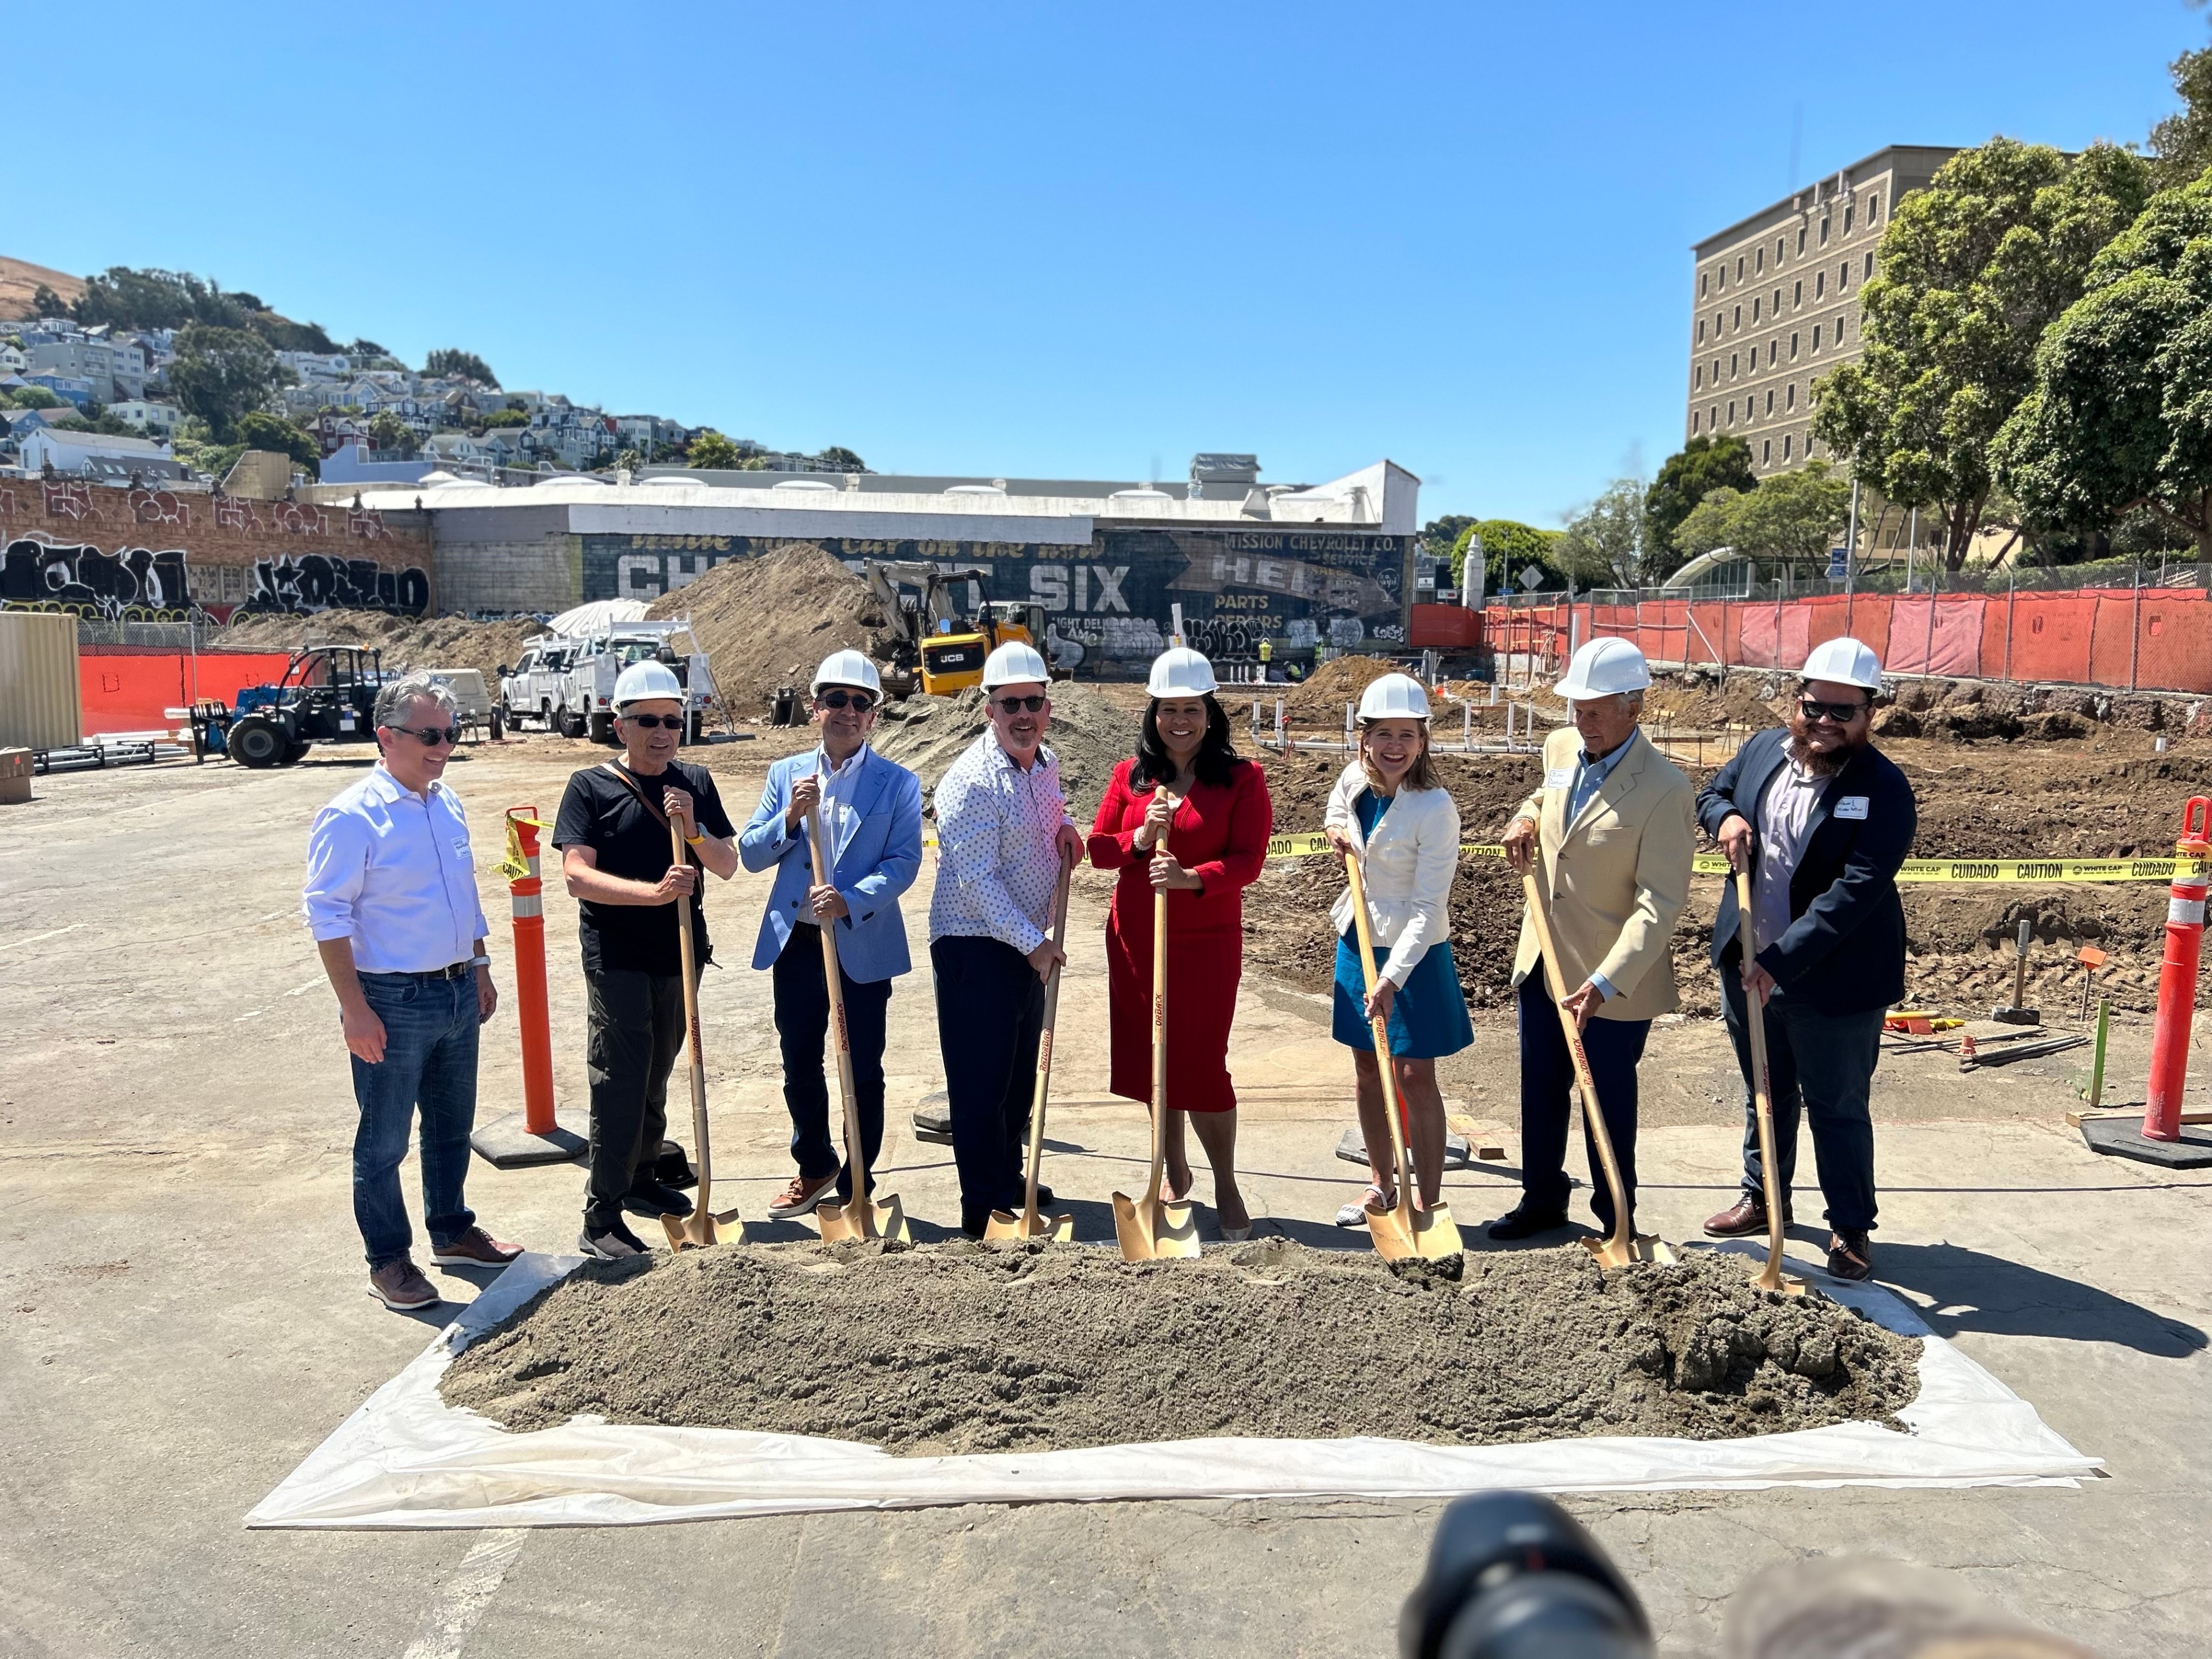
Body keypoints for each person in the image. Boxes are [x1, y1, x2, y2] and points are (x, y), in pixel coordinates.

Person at [1696, 637, 1915, 1282]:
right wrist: (1727, 819)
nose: (1825, 723)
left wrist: (1781, 961)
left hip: (1833, 978)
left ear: (1869, 715)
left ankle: (1849, 1227)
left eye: (1842, 714)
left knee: (1836, 1104)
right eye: (1815, 708)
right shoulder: (1763, 750)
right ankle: (1765, 1198)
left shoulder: (1883, 787)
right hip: (1747, 960)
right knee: (1765, 1089)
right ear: (1798, 701)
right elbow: (1712, 793)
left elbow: (1857, 890)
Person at [304, 672, 521, 1311]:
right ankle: (388, 1260)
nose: (443, 747)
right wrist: (355, 1009)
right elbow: (327, 916)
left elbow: (464, 897)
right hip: (391, 1002)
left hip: (456, 992)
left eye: (450, 734)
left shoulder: (443, 802)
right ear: (386, 736)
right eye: (429, 735)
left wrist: (479, 965)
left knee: (451, 1128)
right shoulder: (351, 816)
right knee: (385, 1142)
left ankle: (451, 1230)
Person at [1496, 638, 1695, 1242]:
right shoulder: (1562, 747)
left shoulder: (1664, 789)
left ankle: (1618, 1218)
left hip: (1613, 981)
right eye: (1576, 709)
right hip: (1546, 960)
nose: (1583, 722)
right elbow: (1547, 796)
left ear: (1635, 708)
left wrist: (1606, 982)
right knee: (1541, 1091)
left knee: (1606, 1101)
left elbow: (1659, 904)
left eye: (1597, 711)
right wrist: (1525, 816)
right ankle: (1541, 1199)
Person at [552, 660, 738, 1259]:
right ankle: (600, 1216)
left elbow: (727, 864)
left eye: (673, 721)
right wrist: (653, 893)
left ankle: (640, 1179)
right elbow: (576, 876)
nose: (663, 732)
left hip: (679, 953)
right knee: (620, 1081)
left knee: (658, 1069)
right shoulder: (590, 786)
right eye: (648, 721)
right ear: (620, 724)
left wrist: (691, 830)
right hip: (618, 956)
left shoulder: (696, 782)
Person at [1088, 646, 1274, 1238]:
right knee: (1154, 1058)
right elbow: (1099, 849)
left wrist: (1194, 878)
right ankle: (1172, 1168)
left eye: (1191, 709)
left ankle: (1226, 1181)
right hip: (1138, 939)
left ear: (1210, 713)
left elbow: (1249, 859)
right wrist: (1141, 835)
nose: (1180, 721)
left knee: (1202, 1064)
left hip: (1205, 940)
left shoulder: (1242, 779)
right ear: (1153, 713)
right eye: (1168, 709)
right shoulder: (1131, 776)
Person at [740, 650, 924, 1218]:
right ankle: (815, 1166)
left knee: (862, 1066)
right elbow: (750, 853)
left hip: (861, 942)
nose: (848, 711)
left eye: (860, 703)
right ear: (816, 708)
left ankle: (859, 1182)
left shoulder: (898, 784)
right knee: (800, 1059)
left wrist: (852, 898)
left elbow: (903, 863)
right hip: (797, 944)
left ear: (874, 715)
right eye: (836, 700)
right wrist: (790, 818)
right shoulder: (785, 775)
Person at [929, 640, 1086, 1236]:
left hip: (1024, 941)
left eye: (1034, 702)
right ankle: (983, 1207)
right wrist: (1034, 944)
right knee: (981, 1083)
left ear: (1048, 707)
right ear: (987, 708)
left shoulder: (1042, 762)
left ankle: (1007, 1174)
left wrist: (1065, 827)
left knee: (1020, 1076)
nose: (1024, 714)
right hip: (976, 943)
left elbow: (1048, 811)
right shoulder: (970, 782)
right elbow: (978, 882)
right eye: (1011, 703)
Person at [1325, 673, 1474, 1229]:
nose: (1394, 746)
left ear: (1423, 741)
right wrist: (1337, 832)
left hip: (1414, 952)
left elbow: (1429, 907)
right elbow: (1337, 813)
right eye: (1383, 733)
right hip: (1357, 936)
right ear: (1363, 737)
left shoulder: (1435, 807)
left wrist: (1391, 978)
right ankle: (1382, 1187)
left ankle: (1429, 1202)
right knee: (1367, 1068)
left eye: (1406, 735)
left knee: (1414, 1074)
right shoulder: (1354, 780)